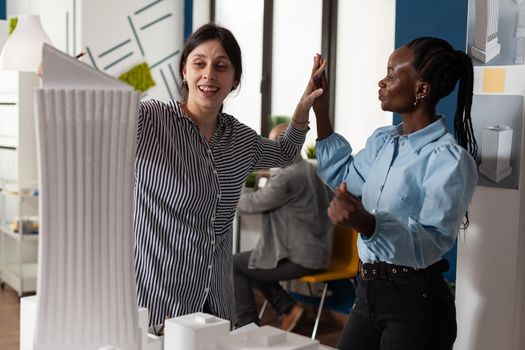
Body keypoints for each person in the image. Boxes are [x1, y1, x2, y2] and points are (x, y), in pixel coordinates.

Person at [133, 23, 326, 331]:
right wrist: (59, 82)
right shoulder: (151, 120)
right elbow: (98, 124)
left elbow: (286, 153)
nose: (209, 74)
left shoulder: (239, 139)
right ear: (184, 71)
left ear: (234, 79)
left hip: (216, 297)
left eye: (221, 66)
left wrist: (302, 110)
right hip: (160, 297)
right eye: (199, 64)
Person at [312, 37, 478, 349]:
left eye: (391, 74)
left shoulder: (449, 161)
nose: (382, 81)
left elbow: (429, 243)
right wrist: (321, 112)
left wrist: (367, 224)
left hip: (416, 303)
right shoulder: (384, 141)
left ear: (421, 90)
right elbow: (344, 176)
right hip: (368, 292)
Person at [233, 123, 334, 331]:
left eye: (271, 143)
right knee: (255, 260)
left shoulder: (287, 176)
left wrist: (222, 198)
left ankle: (248, 326)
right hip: (320, 252)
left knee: (233, 264)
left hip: (302, 258)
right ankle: (288, 309)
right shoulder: (310, 169)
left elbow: (256, 202)